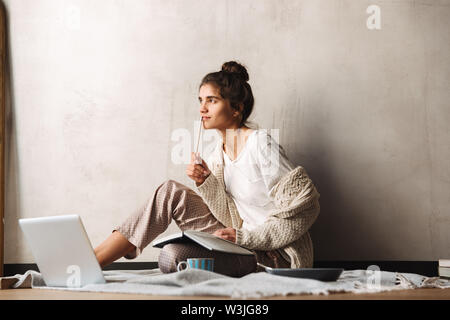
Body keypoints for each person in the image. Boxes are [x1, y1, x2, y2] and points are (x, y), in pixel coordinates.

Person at [94, 61, 320, 277]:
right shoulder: (216, 157)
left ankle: (93, 261)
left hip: (275, 256)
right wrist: (206, 182)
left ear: (236, 108)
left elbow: (306, 208)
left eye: (211, 100)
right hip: (240, 242)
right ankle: (93, 261)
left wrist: (245, 238)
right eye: (201, 100)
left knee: (171, 257)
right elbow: (230, 217)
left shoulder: (260, 144)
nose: (202, 108)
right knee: (170, 192)